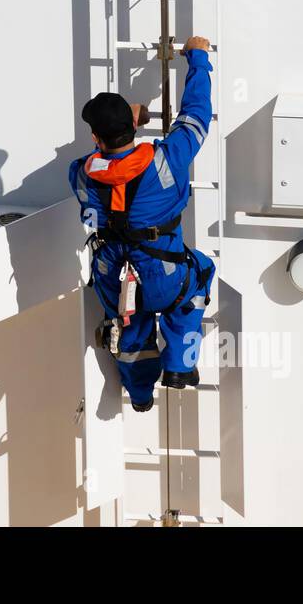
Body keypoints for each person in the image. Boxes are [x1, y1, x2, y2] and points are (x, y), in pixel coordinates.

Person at [69, 36, 216, 412]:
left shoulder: (82, 175)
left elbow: (105, 165)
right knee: (199, 273)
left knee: (129, 330)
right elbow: (196, 115)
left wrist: (124, 125)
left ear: (95, 137)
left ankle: (138, 396)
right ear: (133, 127)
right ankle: (181, 367)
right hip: (165, 275)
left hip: (114, 280)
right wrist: (197, 58)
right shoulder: (168, 159)